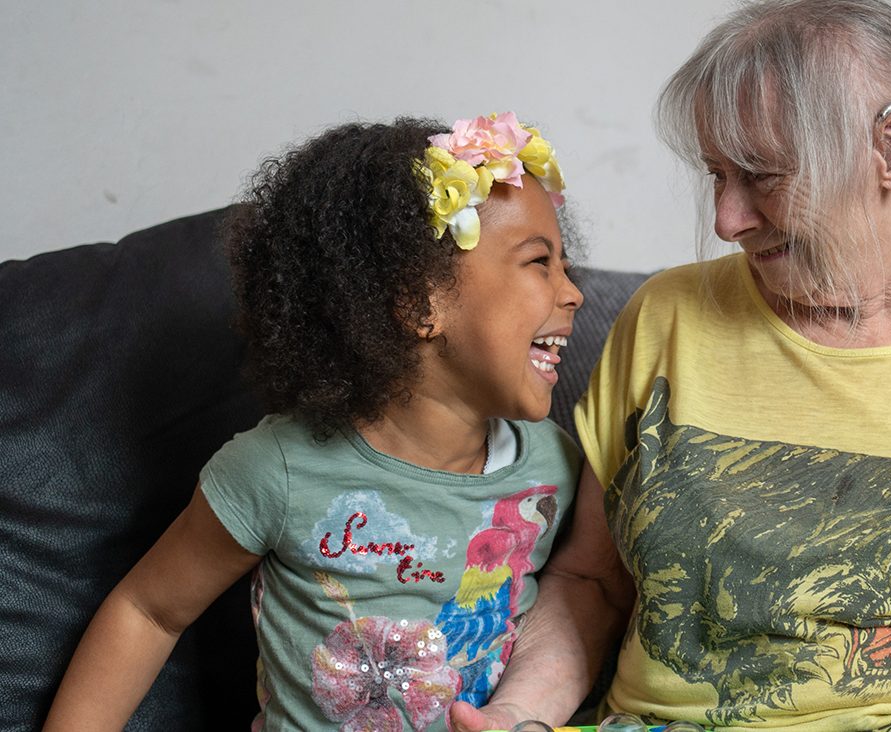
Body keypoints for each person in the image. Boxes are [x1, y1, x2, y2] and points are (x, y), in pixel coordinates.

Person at [451, 1, 891, 730]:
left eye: (763, 175)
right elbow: (592, 581)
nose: (727, 220)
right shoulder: (663, 316)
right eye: (717, 175)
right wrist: (518, 713)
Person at [44, 114, 585, 731]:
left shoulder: (555, 467)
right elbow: (148, 611)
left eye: (565, 265)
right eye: (540, 262)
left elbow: (584, 596)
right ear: (419, 302)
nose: (573, 292)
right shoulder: (277, 470)